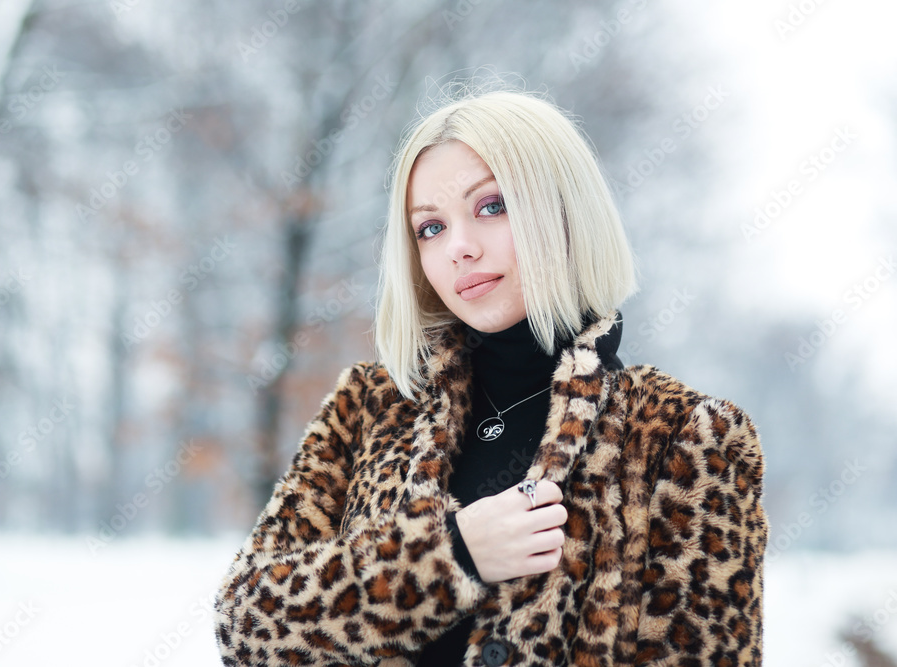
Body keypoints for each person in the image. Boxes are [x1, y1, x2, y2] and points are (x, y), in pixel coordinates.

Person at [213, 83, 768, 666]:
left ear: (564, 210)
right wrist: (451, 558)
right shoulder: (370, 407)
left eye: (491, 207)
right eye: (430, 228)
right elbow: (247, 625)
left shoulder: (688, 436)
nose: (459, 248)